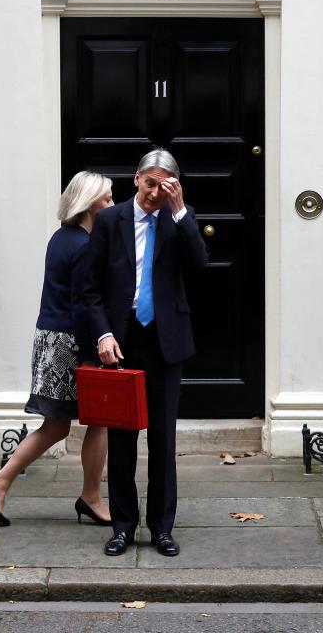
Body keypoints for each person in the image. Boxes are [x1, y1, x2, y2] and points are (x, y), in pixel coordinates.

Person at [83, 148, 209, 557]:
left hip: (165, 341)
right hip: (120, 342)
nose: (155, 192)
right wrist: (102, 335)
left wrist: (180, 211)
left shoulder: (177, 220)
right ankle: (122, 525)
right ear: (136, 178)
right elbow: (89, 290)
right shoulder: (109, 220)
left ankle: (161, 527)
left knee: (163, 440)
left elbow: (199, 266)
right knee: (121, 440)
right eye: (150, 183)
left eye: (164, 185)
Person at [0, 171, 114, 527]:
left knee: (56, 427)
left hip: (50, 339)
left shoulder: (61, 238)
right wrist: (94, 351)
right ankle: (91, 497)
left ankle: (0, 483)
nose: (112, 204)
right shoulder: (84, 245)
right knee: (98, 422)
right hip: (71, 343)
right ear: (89, 204)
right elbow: (82, 305)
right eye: (107, 199)